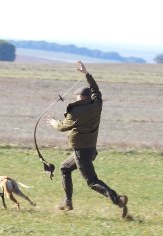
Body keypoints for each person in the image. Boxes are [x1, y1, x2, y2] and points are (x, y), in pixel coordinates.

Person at [46, 61, 128, 218]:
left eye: (76, 97)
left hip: (81, 152)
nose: (75, 99)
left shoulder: (76, 112)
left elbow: (63, 127)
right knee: (64, 168)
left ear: (80, 98)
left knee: (92, 181)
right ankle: (67, 202)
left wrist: (54, 123)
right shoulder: (97, 104)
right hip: (91, 150)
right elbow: (96, 90)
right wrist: (86, 74)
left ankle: (117, 200)